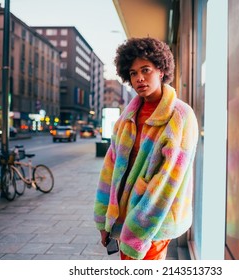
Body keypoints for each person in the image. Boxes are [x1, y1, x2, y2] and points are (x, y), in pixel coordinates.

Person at [94, 37, 199, 260]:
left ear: (161, 70)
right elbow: (110, 170)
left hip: (152, 221)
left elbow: (168, 181)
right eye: (133, 73)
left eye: (146, 70)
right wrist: (104, 219)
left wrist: (138, 231)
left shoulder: (179, 116)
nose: (139, 78)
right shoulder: (126, 118)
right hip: (124, 218)